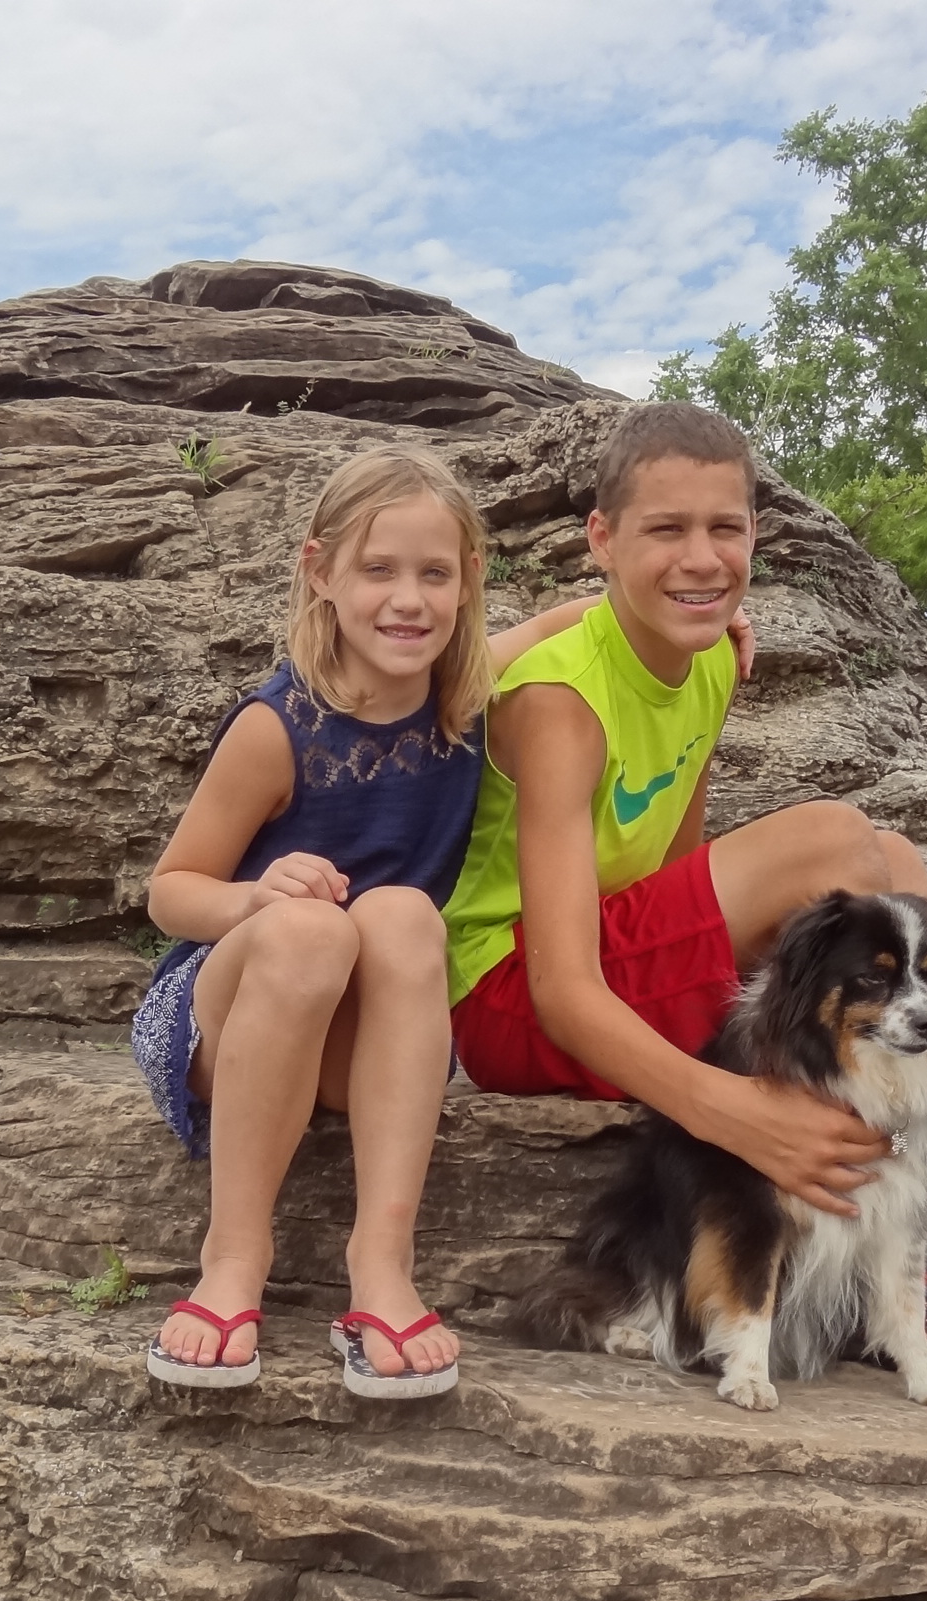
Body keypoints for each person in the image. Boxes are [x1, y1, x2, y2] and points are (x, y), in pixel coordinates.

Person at [440, 402, 927, 1401]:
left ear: (755, 533)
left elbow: (670, 881)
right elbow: (561, 988)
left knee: (890, 860)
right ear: (602, 540)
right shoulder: (559, 702)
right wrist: (734, 1112)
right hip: (512, 1001)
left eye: (725, 528)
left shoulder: (711, 659)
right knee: (839, 843)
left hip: (615, 965)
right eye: (666, 529)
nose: (701, 558)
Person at [132, 445, 666, 1400]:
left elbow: (575, 618)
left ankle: (381, 1266)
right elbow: (170, 889)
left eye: (435, 574)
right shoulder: (278, 727)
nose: (408, 601)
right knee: (313, 929)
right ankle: (233, 1258)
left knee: (404, 915)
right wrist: (255, 898)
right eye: (378, 570)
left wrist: (694, 621)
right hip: (230, 1011)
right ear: (321, 572)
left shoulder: (463, 701)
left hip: (368, 1034)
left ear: (469, 581)